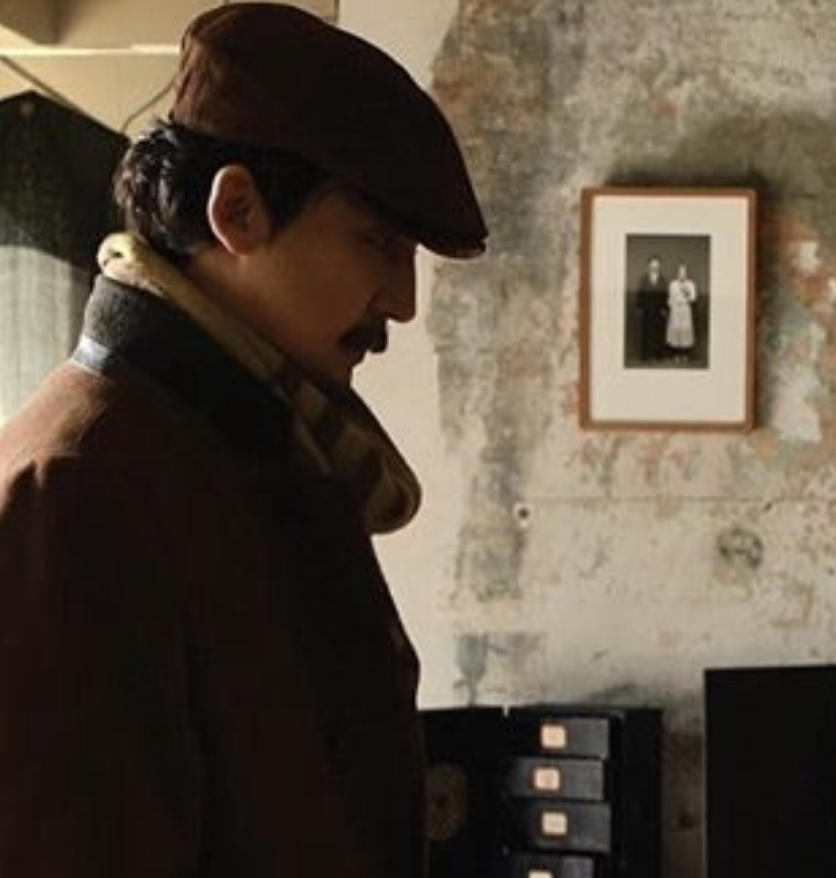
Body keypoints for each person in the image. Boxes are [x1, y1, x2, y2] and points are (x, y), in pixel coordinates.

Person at [0, 4, 487, 875]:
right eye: (378, 241)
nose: (404, 302)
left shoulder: (242, 451)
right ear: (237, 210)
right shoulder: (78, 486)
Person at [633, 255, 668, 363]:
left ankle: (658, 356)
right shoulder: (643, 279)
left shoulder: (663, 280)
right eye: (652, 264)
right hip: (646, 309)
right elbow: (640, 294)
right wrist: (639, 308)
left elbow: (665, 295)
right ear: (649, 266)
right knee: (645, 333)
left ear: (659, 266)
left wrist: (665, 308)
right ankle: (645, 356)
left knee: (659, 333)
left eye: (656, 264)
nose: (654, 266)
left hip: (659, 310)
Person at [665, 262, 699, 360]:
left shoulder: (691, 284)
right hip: (676, 310)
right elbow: (670, 298)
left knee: (685, 331)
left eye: (684, 272)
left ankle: (685, 354)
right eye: (680, 272)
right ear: (677, 273)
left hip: (685, 310)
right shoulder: (673, 284)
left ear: (686, 273)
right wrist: (672, 306)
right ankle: (676, 354)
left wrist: (686, 291)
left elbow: (693, 299)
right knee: (676, 330)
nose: (682, 274)